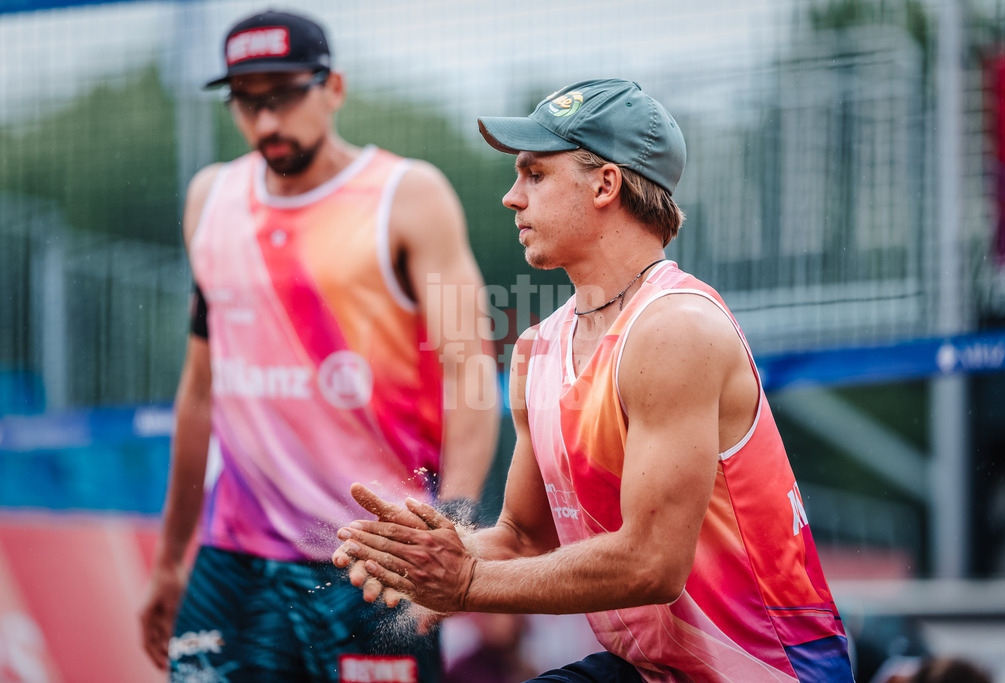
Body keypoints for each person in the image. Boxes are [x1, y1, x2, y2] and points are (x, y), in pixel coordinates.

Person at [333, 78, 855, 681]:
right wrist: (424, 554)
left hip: (764, 671)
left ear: (605, 183)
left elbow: (652, 565)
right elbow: (523, 540)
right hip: (653, 668)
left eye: (534, 174)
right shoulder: (537, 349)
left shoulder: (674, 328)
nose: (511, 196)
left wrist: (468, 582)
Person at [138, 9, 499, 682]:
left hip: (373, 560)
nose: (265, 121)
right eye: (246, 101)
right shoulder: (210, 200)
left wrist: (448, 532)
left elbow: (472, 373)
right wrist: (169, 560)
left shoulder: (408, 196)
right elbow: (198, 391)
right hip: (233, 561)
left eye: (282, 96)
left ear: (333, 87)